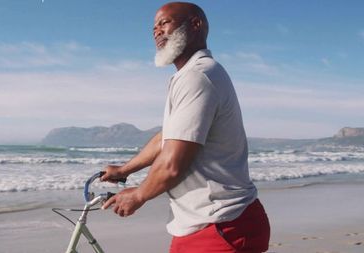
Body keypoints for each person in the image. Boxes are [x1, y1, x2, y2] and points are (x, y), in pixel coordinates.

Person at [101, 2, 270, 253]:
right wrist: (125, 169)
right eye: (154, 27)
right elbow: (168, 136)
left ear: (195, 24)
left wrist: (138, 196)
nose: (157, 31)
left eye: (164, 23)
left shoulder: (198, 76)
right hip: (204, 224)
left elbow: (172, 164)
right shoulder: (189, 75)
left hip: (221, 225)